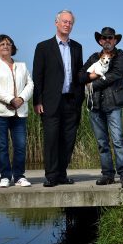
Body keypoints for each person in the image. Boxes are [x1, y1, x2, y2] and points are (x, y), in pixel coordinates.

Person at [33, 10, 84, 187]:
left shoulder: (77, 47)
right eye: (64, 21)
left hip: (71, 101)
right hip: (50, 102)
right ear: (56, 23)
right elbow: (37, 76)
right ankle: (51, 175)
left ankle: (62, 174)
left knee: (68, 139)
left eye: (70, 22)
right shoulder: (43, 47)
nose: (67, 25)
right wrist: (37, 101)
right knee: (52, 139)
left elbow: (79, 74)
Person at [79, 27, 123, 188]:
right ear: (100, 41)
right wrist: (91, 77)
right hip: (95, 105)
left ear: (115, 40)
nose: (108, 40)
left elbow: (115, 75)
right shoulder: (94, 57)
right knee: (102, 143)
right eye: (104, 38)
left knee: (118, 141)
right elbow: (80, 75)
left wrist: (92, 83)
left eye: (111, 38)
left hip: (114, 104)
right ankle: (107, 174)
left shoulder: (121, 56)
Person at [0, 34, 34, 188]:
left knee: (20, 145)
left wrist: (20, 98)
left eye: (8, 44)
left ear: (13, 47)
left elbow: (30, 84)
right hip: (0, 112)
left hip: (19, 112)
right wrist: (10, 99)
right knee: (2, 145)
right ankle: (5, 176)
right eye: (2, 44)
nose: (5, 46)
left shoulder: (22, 65)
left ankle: (19, 176)